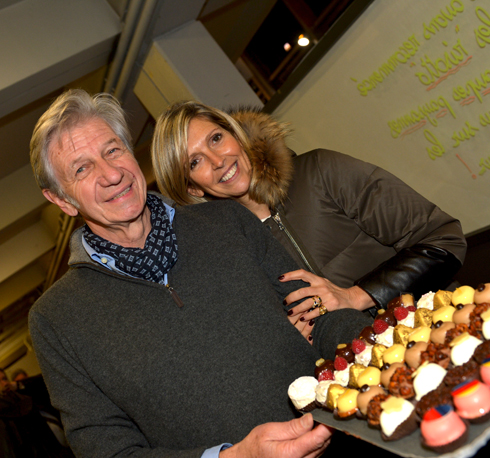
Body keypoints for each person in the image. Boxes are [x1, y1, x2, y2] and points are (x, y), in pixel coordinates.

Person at [28, 89, 373, 457]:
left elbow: (320, 314)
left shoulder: (226, 220)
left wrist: (381, 349)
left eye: (113, 150)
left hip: (347, 435)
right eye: (82, 168)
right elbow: (108, 451)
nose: (112, 174)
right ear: (62, 200)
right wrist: (234, 457)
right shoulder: (56, 320)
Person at [151, 103, 467, 328]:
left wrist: (357, 296)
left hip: (441, 329)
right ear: (193, 189)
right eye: (195, 162)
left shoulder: (320, 171)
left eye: (216, 139)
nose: (218, 160)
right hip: (368, 384)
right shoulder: (230, 256)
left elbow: (443, 239)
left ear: (236, 135)